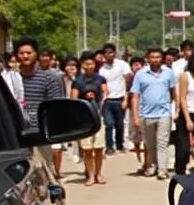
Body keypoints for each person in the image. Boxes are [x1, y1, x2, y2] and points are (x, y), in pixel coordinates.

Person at [15, 37, 66, 177]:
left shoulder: (49, 78)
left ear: (36, 54)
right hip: (16, 135)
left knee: (46, 173)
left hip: (40, 134)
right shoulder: (11, 78)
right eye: (21, 53)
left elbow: (55, 107)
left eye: (29, 52)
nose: (25, 56)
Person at [131, 47, 177, 179]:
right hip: (146, 114)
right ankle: (152, 166)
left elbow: (174, 92)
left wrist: (175, 108)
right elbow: (135, 96)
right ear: (147, 58)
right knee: (150, 144)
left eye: (158, 57)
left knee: (162, 143)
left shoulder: (168, 73)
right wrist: (135, 116)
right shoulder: (140, 75)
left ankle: (162, 169)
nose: (155, 60)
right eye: (153, 57)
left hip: (164, 113)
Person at [71, 51, 108, 185]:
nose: (90, 66)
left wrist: (102, 101)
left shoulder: (100, 79)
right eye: (87, 64)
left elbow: (105, 93)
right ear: (83, 65)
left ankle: (98, 174)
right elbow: (73, 99)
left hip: (97, 115)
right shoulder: (78, 81)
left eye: (92, 63)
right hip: (84, 118)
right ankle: (90, 175)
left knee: (98, 148)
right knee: (87, 149)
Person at [100, 42, 130, 155]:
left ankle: (119, 144)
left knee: (120, 124)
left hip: (120, 98)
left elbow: (128, 79)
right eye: (106, 53)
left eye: (111, 52)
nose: (109, 55)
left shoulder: (122, 65)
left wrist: (126, 98)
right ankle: (109, 146)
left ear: (115, 53)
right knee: (109, 124)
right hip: (107, 100)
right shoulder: (101, 69)